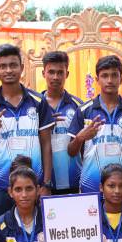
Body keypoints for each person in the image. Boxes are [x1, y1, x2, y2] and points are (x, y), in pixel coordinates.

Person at [0, 44, 55, 218]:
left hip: (33, 185)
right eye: (3, 66)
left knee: (37, 231)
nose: (8, 70)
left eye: (13, 65)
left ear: (22, 68)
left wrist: (46, 184)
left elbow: (46, 144)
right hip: (0, 186)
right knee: (2, 230)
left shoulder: (38, 102)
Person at [68, 55, 122, 202]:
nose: (109, 80)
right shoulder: (84, 111)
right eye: (104, 76)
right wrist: (80, 138)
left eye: (114, 75)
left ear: (121, 79)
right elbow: (71, 152)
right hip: (90, 186)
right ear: (97, 79)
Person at [41, 50, 84, 195]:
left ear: (67, 74)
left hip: (73, 179)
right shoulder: (35, 105)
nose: (55, 77)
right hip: (42, 183)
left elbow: (85, 145)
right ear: (43, 73)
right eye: (51, 72)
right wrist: (45, 124)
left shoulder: (78, 105)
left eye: (60, 72)